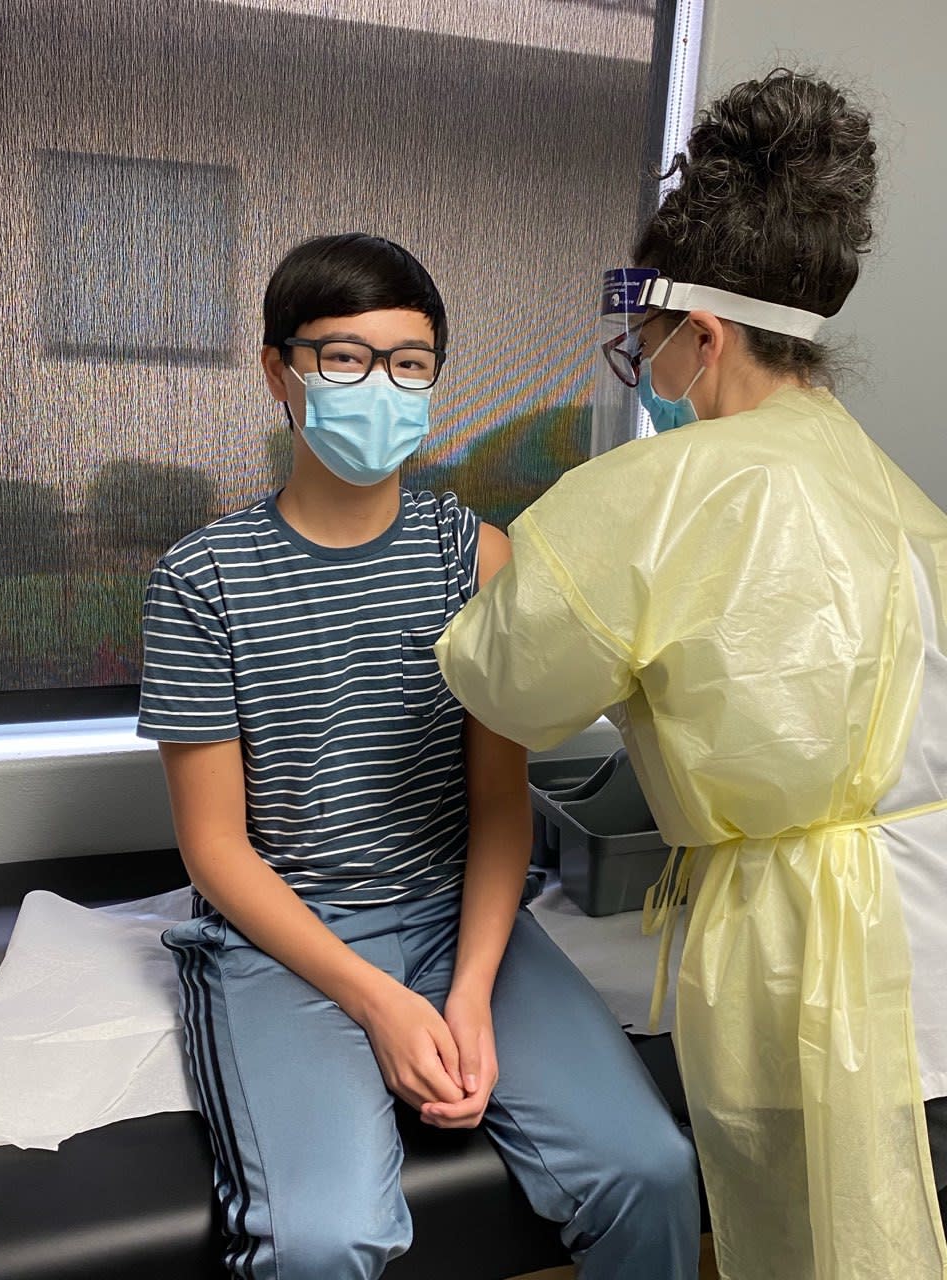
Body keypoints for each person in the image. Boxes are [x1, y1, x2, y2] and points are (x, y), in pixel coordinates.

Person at [435, 72, 947, 1280]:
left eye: (645, 344)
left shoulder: (662, 493)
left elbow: (502, 679)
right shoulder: (894, 488)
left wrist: (490, 567)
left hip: (819, 973)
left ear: (700, 333)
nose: (647, 369)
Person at [137, 232, 700, 1279]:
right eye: (344, 358)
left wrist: (472, 988)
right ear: (279, 371)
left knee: (652, 1168)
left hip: (459, 915)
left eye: (408, 362)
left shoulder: (475, 558)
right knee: (322, 1237)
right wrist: (381, 1000)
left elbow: (499, 807)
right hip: (286, 937)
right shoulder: (201, 580)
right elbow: (215, 850)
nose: (380, 384)